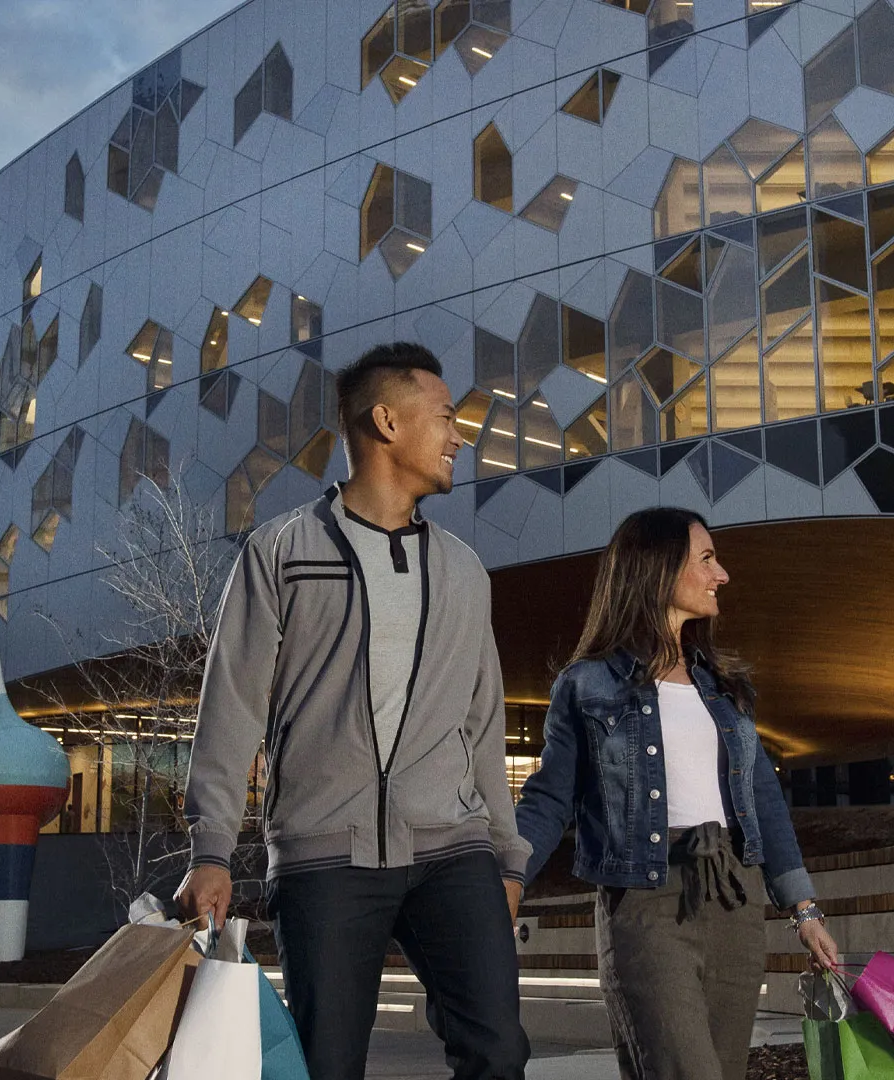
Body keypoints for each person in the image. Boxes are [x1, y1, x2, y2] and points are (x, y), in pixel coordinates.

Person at [176, 342, 530, 1079]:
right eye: (444, 418)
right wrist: (211, 848)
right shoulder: (283, 551)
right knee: (328, 1065)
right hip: (325, 853)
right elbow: (232, 703)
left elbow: (482, 722)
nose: (458, 436)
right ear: (387, 423)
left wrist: (506, 853)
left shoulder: (463, 570)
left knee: (497, 1051)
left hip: (451, 849)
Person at [513, 508, 839, 1079]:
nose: (723, 575)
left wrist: (803, 908)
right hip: (645, 903)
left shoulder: (726, 689)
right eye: (707, 559)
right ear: (659, 571)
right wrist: (509, 876)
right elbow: (548, 798)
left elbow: (764, 801)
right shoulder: (587, 685)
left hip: (735, 897)